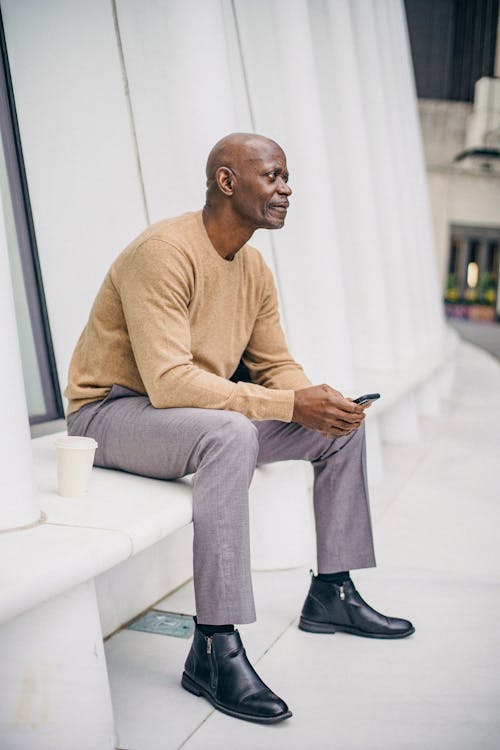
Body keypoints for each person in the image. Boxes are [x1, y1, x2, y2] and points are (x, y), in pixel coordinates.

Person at [64, 132, 414, 725]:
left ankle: (331, 592)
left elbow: (276, 366)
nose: (286, 188)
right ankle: (212, 646)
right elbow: (170, 382)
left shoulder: (253, 267)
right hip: (112, 413)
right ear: (227, 182)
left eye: (285, 177)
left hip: (187, 417)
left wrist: (317, 403)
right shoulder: (164, 252)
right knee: (232, 436)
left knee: (340, 427)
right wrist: (285, 404)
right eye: (273, 176)